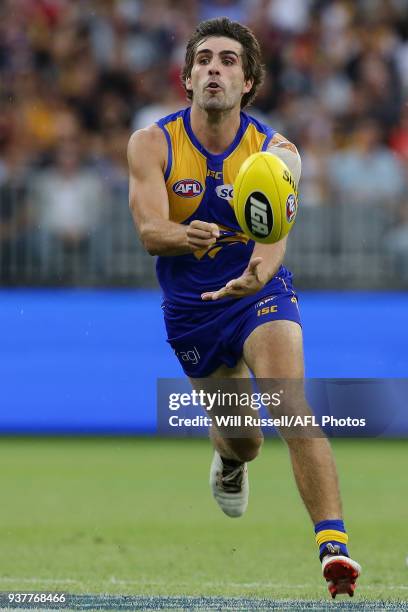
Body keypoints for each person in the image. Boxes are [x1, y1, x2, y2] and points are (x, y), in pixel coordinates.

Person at [127, 17, 361, 599]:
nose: (215, 69)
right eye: (204, 60)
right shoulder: (151, 142)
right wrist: (191, 237)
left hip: (257, 294)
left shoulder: (274, 150)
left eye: (229, 61)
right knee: (245, 440)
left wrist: (259, 267)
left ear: (249, 82)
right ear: (186, 78)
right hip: (190, 309)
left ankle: (333, 548)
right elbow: (152, 232)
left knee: (292, 404)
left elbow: (275, 231)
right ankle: (230, 460)